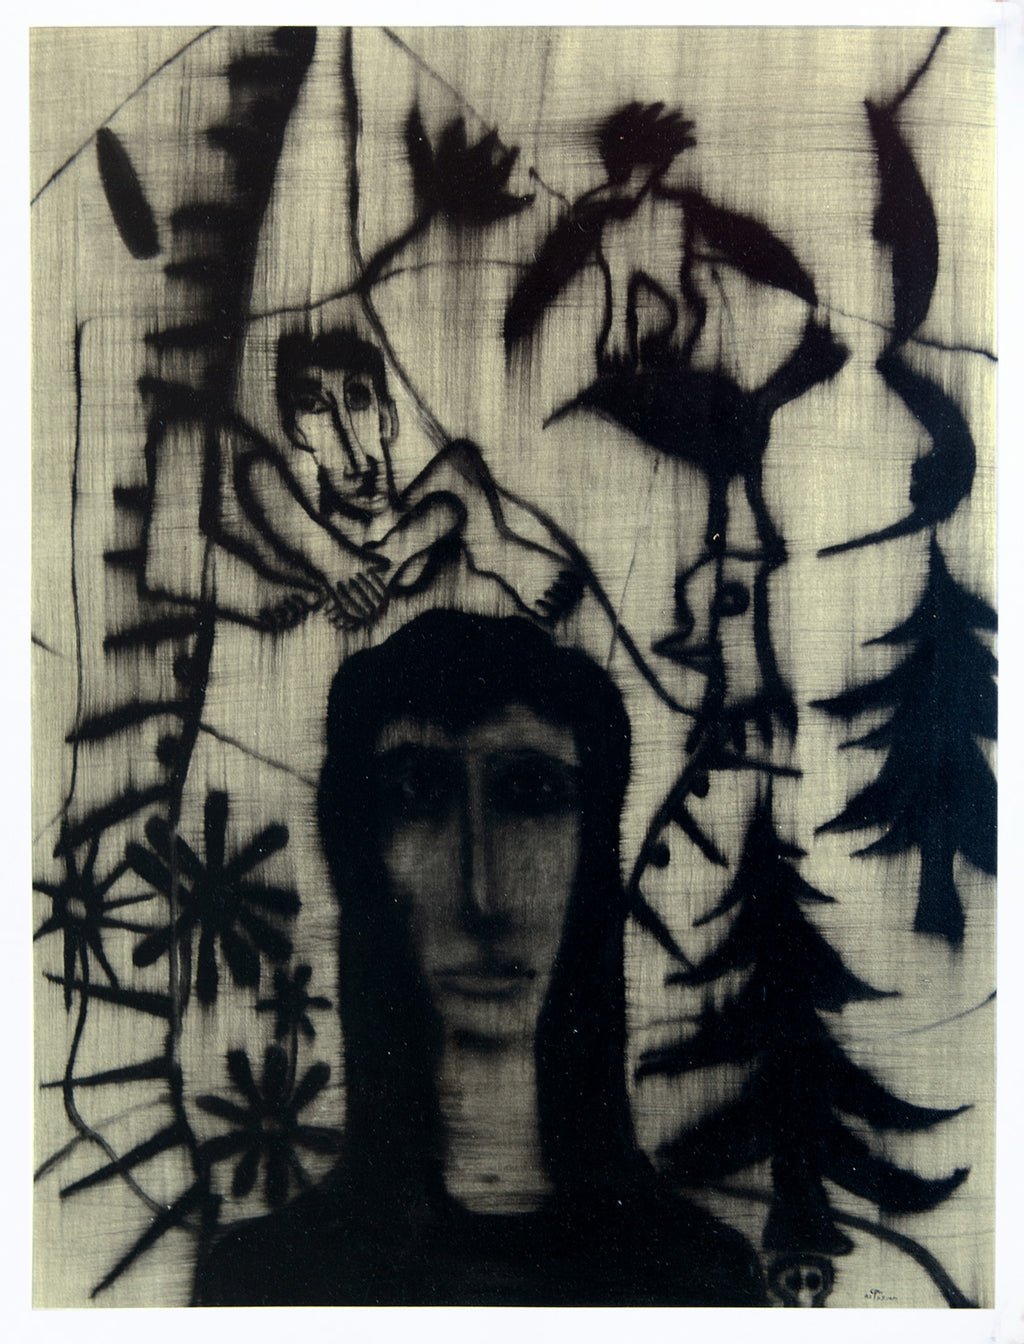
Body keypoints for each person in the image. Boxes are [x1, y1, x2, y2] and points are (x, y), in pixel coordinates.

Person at [192, 610, 768, 1306]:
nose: (482, 896)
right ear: (360, 856)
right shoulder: (265, 1285)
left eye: (529, 794)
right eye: (416, 794)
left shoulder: (700, 1282)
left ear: (594, 851)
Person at [232, 328, 583, 631]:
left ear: (387, 418)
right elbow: (254, 473)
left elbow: (455, 476)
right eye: (315, 407)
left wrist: (387, 558)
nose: (356, 458)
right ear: (296, 433)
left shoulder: (445, 489)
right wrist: (338, 562)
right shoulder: (300, 539)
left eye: (358, 398)